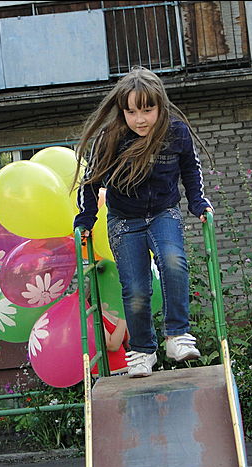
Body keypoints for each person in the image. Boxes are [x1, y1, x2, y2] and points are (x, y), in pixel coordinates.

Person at [73, 66, 213, 378]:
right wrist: (86, 218)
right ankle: (142, 351)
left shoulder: (176, 133)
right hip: (125, 220)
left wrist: (198, 203)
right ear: (122, 111)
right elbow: (90, 182)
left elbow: (191, 171)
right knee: (136, 288)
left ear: (160, 106)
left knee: (173, 261)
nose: (140, 119)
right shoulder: (110, 138)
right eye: (132, 112)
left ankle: (177, 336)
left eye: (147, 110)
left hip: (163, 212)